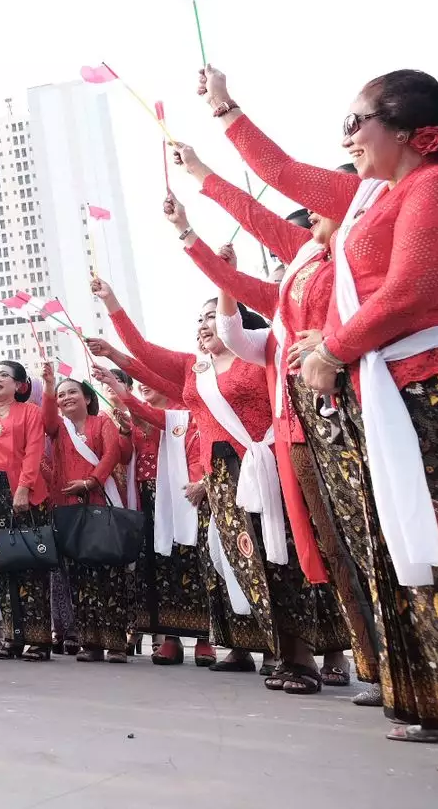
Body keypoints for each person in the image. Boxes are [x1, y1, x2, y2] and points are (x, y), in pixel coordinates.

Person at [200, 68, 438, 767]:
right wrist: (224, 113)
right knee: (408, 555)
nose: (346, 136)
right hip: (386, 397)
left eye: (357, 122)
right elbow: (281, 174)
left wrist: (331, 345)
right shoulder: (370, 198)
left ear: (413, 131)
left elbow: (413, 293)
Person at [168, 150, 378, 694]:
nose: (308, 224)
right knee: (284, 554)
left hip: (338, 432)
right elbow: (238, 330)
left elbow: (278, 175)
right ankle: (302, 656)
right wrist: (190, 235)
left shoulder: (352, 274)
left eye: (314, 213)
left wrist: (206, 157)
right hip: (286, 450)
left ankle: (363, 660)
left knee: (343, 547)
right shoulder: (289, 306)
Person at [91, 276, 349, 693]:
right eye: (200, 319)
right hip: (224, 478)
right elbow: (144, 356)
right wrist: (112, 303)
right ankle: (283, 652)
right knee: (249, 564)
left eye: (213, 316)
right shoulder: (197, 372)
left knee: (289, 559)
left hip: (270, 467)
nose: (203, 324)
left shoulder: (263, 356)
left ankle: (308, 658)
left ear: (238, 324)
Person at [92, 367, 213, 668]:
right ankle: (169, 638)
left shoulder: (181, 413)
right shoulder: (134, 418)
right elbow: (122, 457)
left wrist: (200, 481)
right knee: (158, 567)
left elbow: (196, 451)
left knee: (191, 562)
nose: (144, 386)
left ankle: (204, 639)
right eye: (141, 382)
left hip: (180, 494)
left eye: (150, 381)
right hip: (146, 498)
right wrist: (122, 431)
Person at [41, 375, 134, 663]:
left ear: (88, 398)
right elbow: (46, 421)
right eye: (61, 395)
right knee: (79, 576)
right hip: (68, 507)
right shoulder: (58, 428)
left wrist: (92, 481)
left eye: (73, 392)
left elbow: (112, 454)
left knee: (109, 573)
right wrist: (47, 387)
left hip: (100, 502)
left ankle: (116, 644)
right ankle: (90, 643)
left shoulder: (102, 422)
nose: (66, 397)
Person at [0, 360, 53, 660]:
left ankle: (39, 640)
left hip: (23, 493)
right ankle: (13, 636)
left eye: (3, 375)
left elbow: (34, 450)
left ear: (19, 385)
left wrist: (23, 487)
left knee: (30, 564)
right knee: (3, 567)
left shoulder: (30, 412)